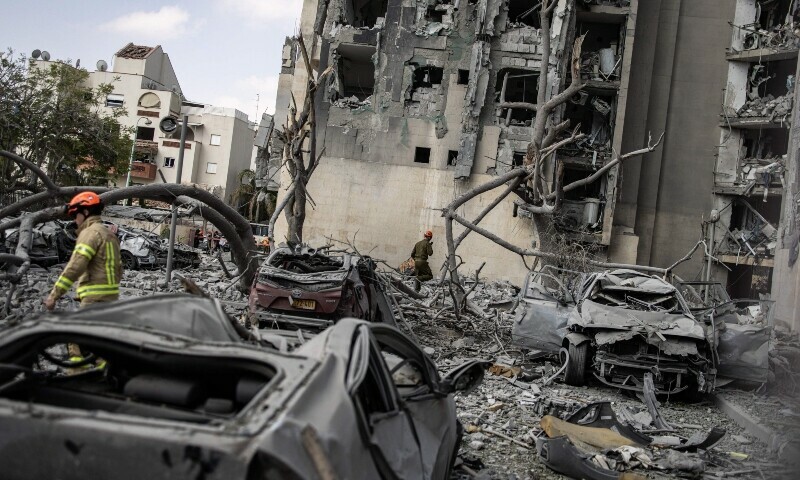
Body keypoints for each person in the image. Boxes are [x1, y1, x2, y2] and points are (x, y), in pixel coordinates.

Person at [44, 192, 122, 311]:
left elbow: (76, 266)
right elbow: (119, 269)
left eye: (76, 215)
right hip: (112, 298)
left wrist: (54, 295)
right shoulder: (110, 235)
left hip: (93, 299)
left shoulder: (89, 233)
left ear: (85, 212)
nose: (75, 220)